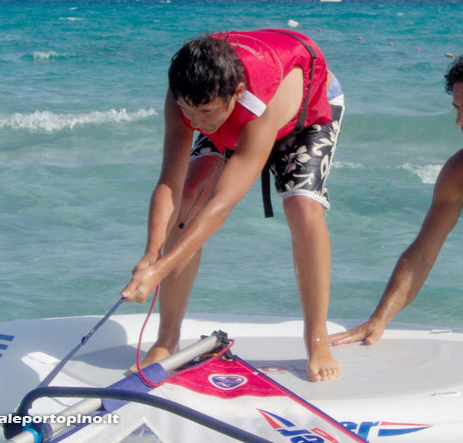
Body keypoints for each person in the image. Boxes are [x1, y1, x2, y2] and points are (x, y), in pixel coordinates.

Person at [121, 29, 345, 381]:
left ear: (236, 92)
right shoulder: (187, 94)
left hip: (304, 108)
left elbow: (223, 204)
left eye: (204, 112)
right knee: (188, 204)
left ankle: (316, 339)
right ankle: (166, 340)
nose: (195, 123)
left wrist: (162, 268)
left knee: (301, 205)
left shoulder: (260, 102)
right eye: (187, 111)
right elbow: (170, 182)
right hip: (231, 106)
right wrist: (151, 253)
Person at [329, 46, 463, 348]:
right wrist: (379, 319)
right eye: (457, 108)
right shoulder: (462, 172)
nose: (460, 121)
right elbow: (423, 251)